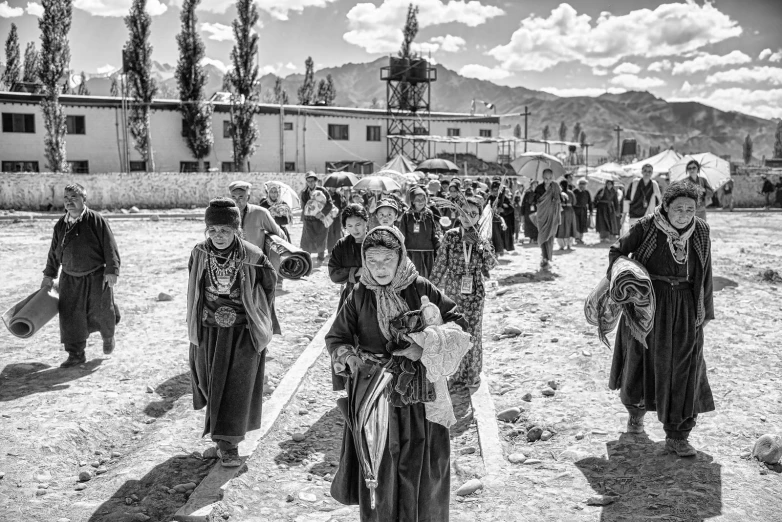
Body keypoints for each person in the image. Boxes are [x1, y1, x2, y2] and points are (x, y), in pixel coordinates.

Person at [326, 226, 468, 521]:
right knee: (380, 463)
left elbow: (458, 324)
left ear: (401, 257)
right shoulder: (359, 293)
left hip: (419, 392)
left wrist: (424, 345)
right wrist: (350, 358)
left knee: (420, 459)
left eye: (387, 260)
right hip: (375, 393)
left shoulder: (421, 287)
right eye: (372, 260)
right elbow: (337, 338)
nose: (379, 268)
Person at [606, 181, 715, 457]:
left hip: (686, 306)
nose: (685, 214)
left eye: (690, 209)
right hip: (649, 304)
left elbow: (706, 272)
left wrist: (704, 310)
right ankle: (636, 412)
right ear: (665, 207)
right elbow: (617, 251)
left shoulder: (700, 231)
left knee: (685, 366)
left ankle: (678, 434)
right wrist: (629, 279)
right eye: (679, 208)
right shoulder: (646, 226)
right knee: (642, 360)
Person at [186, 198, 279, 467]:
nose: (218, 236)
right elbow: (195, 290)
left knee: (236, 388)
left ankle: (229, 446)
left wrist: (257, 318)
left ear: (237, 230)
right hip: (209, 331)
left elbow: (269, 289)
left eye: (225, 230)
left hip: (243, 333)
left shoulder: (253, 256)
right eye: (212, 230)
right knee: (211, 384)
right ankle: (220, 441)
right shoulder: (200, 253)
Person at [41, 183, 121, 367]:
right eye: (66, 199)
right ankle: (76, 354)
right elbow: (54, 252)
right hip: (69, 278)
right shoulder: (61, 225)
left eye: (74, 198)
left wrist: (112, 270)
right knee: (70, 315)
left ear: (84, 200)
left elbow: (110, 247)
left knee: (102, 311)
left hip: (96, 276)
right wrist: (49, 275)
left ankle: (108, 336)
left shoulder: (96, 220)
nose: (69, 202)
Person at [430, 197, 497, 388]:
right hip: (453, 288)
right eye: (463, 212)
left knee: (474, 332)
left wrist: (482, 247)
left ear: (479, 216)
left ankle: (473, 375)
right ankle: (456, 375)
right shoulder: (451, 235)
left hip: (475, 288)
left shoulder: (483, 236)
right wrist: (431, 289)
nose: (467, 217)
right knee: (454, 331)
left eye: (473, 213)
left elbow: (491, 265)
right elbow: (441, 263)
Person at [328, 203, 368, 312]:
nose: (355, 229)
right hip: (350, 295)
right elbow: (334, 274)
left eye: (358, 224)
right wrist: (357, 271)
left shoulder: (375, 242)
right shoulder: (342, 245)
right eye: (349, 226)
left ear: (366, 221)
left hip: (374, 294)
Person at [229, 181, 286, 251]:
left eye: (241, 197)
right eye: (233, 197)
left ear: (248, 197)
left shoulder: (260, 213)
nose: (237, 201)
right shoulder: (226, 215)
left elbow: (280, 236)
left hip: (255, 260)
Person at [399, 186, 441, 279]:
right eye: (418, 199)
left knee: (427, 279)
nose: (421, 201)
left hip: (428, 253)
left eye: (423, 199)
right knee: (413, 279)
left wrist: (438, 245)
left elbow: (433, 233)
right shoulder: (406, 216)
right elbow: (402, 235)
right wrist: (401, 251)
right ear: (412, 201)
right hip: (412, 253)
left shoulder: (429, 214)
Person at [300, 172, 334, 263]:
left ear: (316, 181)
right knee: (308, 239)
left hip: (320, 220)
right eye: (308, 181)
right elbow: (303, 206)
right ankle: (307, 258)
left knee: (321, 238)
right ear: (306, 182)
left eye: (312, 181)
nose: (311, 183)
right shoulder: (304, 193)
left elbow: (330, 204)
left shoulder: (323, 191)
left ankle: (320, 258)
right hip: (308, 220)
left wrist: (322, 213)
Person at [533, 169, 562, 270]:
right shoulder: (538, 188)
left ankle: (547, 258)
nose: (547, 180)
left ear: (552, 177)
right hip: (542, 216)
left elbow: (560, 198)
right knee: (542, 237)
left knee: (550, 238)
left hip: (552, 216)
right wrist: (536, 194)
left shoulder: (555, 186)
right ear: (542, 177)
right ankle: (544, 257)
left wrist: (556, 199)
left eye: (549, 178)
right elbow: (535, 200)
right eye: (545, 178)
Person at [556, 180, 576, 250]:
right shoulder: (571, 193)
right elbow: (574, 202)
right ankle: (569, 245)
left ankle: (561, 245)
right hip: (570, 211)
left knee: (561, 228)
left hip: (561, 211)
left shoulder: (559, 193)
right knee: (570, 227)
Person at [572, 179, 593, 244]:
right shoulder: (575, 191)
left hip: (583, 210)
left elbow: (589, 202)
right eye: (581, 184)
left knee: (582, 224)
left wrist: (591, 210)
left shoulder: (587, 192)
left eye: (584, 184)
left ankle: (580, 238)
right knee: (576, 224)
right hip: (575, 210)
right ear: (578, 185)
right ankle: (577, 238)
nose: (582, 186)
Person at [327, 186, 346, 253]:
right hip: (329, 217)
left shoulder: (339, 195)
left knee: (338, 232)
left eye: (335, 186)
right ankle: (330, 250)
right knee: (330, 233)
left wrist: (343, 201)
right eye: (332, 186)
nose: (334, 188)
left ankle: (338, 249)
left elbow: (343, 206)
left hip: (338, 217)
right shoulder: (326, 194)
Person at [499, 186, 516, 252]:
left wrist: (503, 210)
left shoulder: (506, 199)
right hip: (496, 220)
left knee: (505, 236)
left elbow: (511, 209)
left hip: (505, 220)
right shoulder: (494, 198)